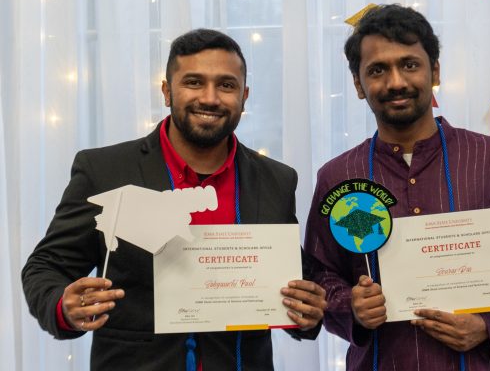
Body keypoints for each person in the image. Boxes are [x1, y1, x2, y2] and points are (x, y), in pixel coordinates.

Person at [22, 28, 327, 371]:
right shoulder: (104, 170)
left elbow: (294, 284)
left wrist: (309, 312)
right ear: (167, 91)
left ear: (244, 96)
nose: (210, 98)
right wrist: (63, 307)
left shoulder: (277, 180)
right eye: (193, 82)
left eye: (226, 85)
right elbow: (46, 267)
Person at [303, 4, 490, 370]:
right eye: (377, 70)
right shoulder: (337, 175)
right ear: (359, 85)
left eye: (409, 64)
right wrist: (351, 307)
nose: (395, 82)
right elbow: (319, 274)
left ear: (434, 71)